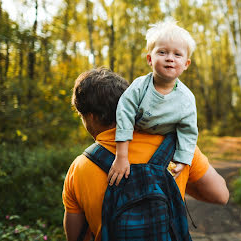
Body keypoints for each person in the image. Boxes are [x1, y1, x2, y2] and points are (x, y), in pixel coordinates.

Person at [63, 67, 229, 241]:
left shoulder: (79, 168)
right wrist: (176, 181)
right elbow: (221, 195)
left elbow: (75, 237)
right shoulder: (178, 147)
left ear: (91, 117)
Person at [109, 19, 198, 185]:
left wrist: (183, 160)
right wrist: (121, 156)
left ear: (186, 64)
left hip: (165, 142)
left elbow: (188, 130)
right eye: (162, 52)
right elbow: (124, 113)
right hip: (135, 136)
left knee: (164, 180)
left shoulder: (186, 99)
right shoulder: (139, 87)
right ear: (150, 59)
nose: (170, 58)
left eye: (177, 54)